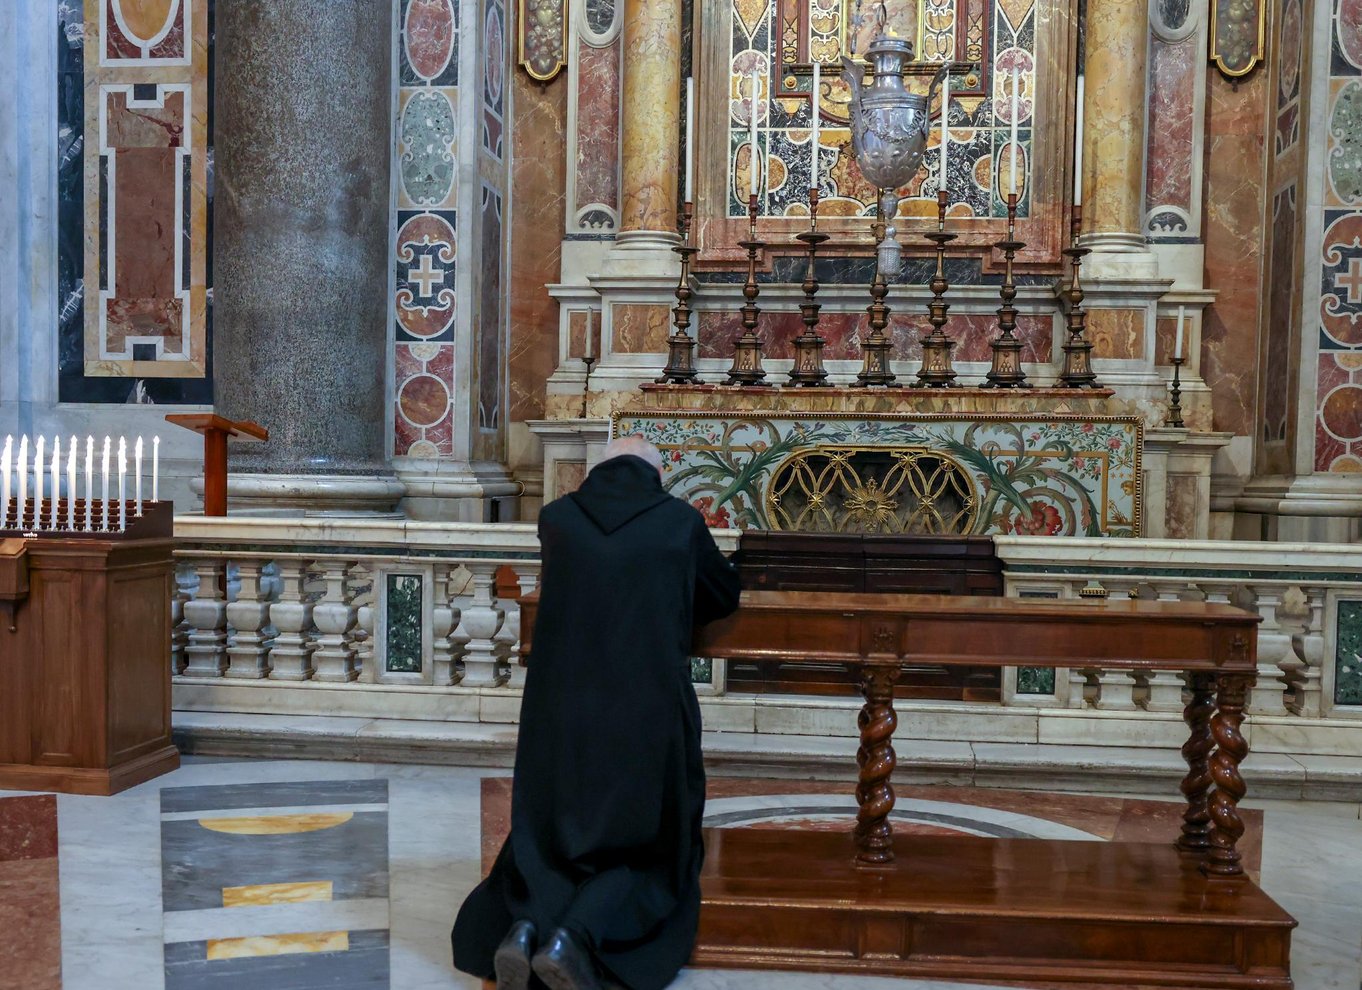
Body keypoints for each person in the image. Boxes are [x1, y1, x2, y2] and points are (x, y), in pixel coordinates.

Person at [451, 436, 743, 990]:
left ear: (597, 471)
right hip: (644, 712)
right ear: (656, 475)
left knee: (552, 836)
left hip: (559, 712)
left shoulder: (557, 519)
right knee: (650, 842)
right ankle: (575, 936)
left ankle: (525, 927)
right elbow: (721, 595)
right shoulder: (679, 522)